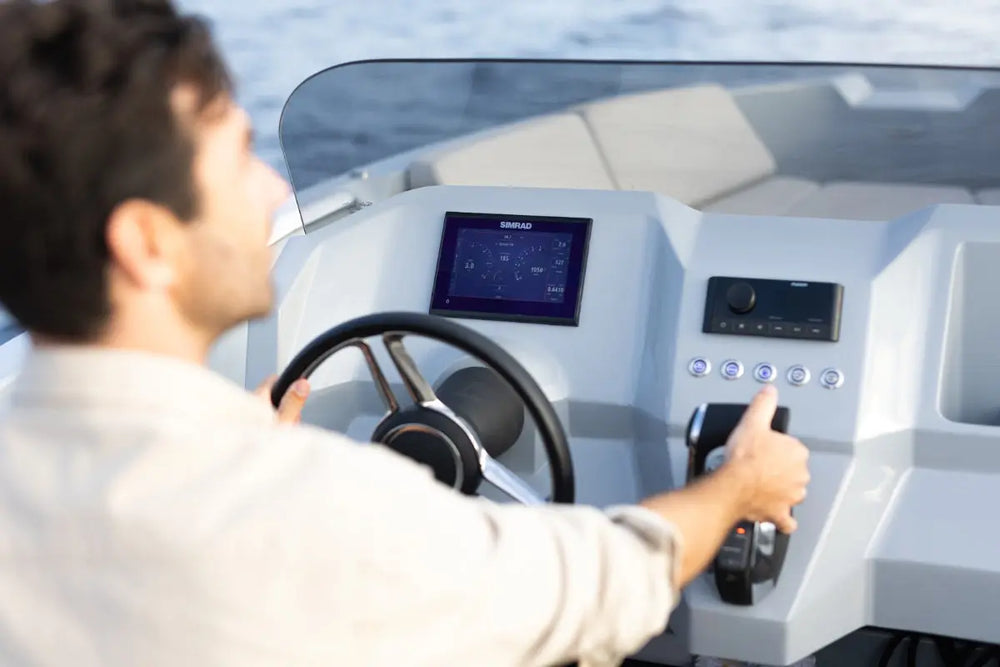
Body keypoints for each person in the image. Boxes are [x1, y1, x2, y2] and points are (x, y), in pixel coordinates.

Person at [0, 1, 810, 665]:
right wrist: (739, 487)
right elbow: (607, 585)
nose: (274, 188)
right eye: (240, 160)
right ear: (147, 243)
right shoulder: (319, 514)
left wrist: (237, 442)